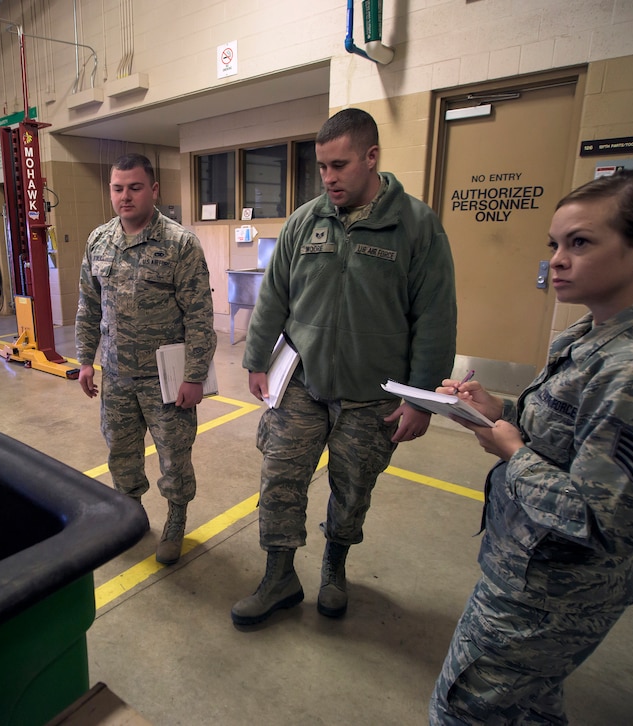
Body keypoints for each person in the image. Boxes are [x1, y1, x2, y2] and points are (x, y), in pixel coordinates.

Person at [428, 169, 633, 724]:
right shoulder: (593, 334)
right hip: (531, 571)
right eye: (555, 244)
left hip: (550, 594)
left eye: (579, 243)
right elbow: (567, 436)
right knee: (529, 711)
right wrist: (498, 412)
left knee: (461, 711)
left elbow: (605, 521)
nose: (556, 259)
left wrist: (511, 450)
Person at [231, 108, 458, 627]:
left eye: (340, 165)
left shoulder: (416, 227)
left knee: (353, 489)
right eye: (322, 167)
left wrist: (422, 398)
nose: (329, 178)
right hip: (303, 384)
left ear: (371, 157)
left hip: (371, 396)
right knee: (279, 479)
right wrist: (256, 359)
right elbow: (274, 297)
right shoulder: (305, 221)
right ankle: (279, 575)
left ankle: (335, 566)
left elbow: (436, 316)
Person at [76, 153, 217, 566]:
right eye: (118, 188)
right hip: (116, 376)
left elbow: (199, 316)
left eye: (135, 187)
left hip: (165, 380)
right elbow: (88, 305)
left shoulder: (180, 243)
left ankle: (175, 520)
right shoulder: (99, 240)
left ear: (154, 190)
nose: (125, 196)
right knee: (121, 452)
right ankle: (132, 514)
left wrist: (194, 376)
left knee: (174, 454)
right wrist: (85, 360)